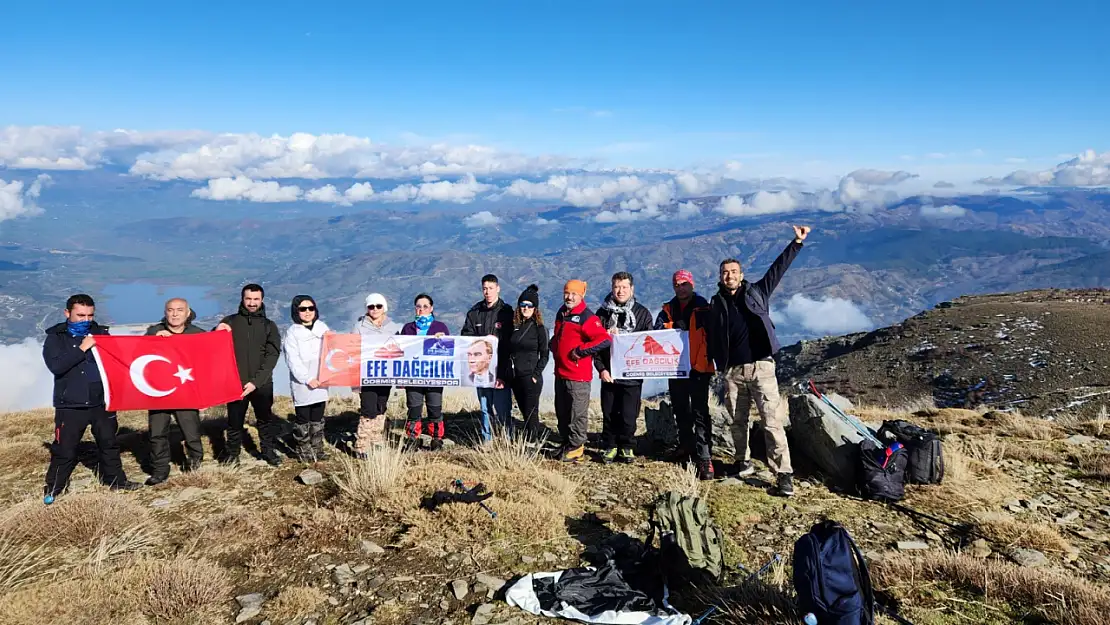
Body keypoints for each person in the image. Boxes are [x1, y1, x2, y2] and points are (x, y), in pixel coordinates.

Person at [709, 225, 811, 498]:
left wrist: (796, 243)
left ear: (741, 275)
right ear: (721, 276)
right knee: (736, 420)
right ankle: (742, 462)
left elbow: (779, 269)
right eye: (725, 272)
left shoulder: (757, 292)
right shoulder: (716, 303)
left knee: (771, 421)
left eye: (733, 272)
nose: (729, 276)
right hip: (732, 371)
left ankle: (783, 473)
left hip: (762, 367)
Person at [42, 294, 140, 504]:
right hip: (70, 405)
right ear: (67, 313)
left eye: (90, 315)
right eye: (80, 315)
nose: (86, 320)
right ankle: (55, 488)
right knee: (64, 450)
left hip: (101, 402)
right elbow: (56, 366)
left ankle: (116, 481)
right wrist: (83, 347)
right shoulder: (55, 338)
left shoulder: (101, 333)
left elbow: (119, 357)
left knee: (109, 444)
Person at [655, 270, 716, 480]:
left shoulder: (704, 307)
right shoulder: (668, 308)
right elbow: (658, 330)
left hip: (699, 367)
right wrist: (673, 326)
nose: (680, 288)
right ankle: (686, 446)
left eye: (684, 284)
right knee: (680, 409)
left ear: (692, 284)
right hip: (676, 368)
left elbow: (713, 333)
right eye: (676, 284)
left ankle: (704, 456)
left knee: (700, 412)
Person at [215, 283, 282, 467]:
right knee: (234, 422)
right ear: (242, 299)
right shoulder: (229, 322)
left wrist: (256, 382)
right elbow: (211, 345)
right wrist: (216, 330)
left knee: (265, 420)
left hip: (262, 384)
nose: (252, 303)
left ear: (261, 300)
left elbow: (272, 355)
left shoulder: (270, 326)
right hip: (235, 382)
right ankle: (232, 454)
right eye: (248, 299)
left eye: (256, 299)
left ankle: (268, 451)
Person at [143, 298, 207, 486]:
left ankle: (195, 464)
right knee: (157, 432)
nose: (175, 314)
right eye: (170, 310)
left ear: (188, 313)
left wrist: (223, 330)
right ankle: (160, 470)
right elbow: (137, 353)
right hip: (159, 392)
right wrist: (153, 340)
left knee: (191, 430)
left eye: (180, 310)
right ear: (165, 312)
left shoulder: (198, 334)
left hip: (186, 391)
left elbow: (214, 351)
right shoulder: (154, 332)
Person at [594, 272, 653, 464]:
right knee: (609, 412)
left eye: (624, 287)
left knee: (629, 414)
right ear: (612, 288)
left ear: (632, 289)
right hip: (609, 372)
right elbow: (594, 345)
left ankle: (627, 446)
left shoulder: (642, 313)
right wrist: (601, 369)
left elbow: (649, 342)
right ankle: (610, 445)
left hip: (632, 373)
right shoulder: (602, 314)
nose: (620, 291)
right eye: (616, 287)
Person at [550, 279, 611, 463]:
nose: (569, 297)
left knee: (577, 412)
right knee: (562, 411)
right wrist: (553, 345)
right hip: (560, 371)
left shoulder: (587, 317)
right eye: (567, 293)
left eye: (573, 294)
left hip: (578, 375)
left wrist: (580, 351)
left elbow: (604, 340)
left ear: (581, 295)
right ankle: (566, 442)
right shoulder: (562, 312)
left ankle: (577, 446)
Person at [460, 274, 514, 441]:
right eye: (485, 288)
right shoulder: (474, 313)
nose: (487, 292)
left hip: (501, 369)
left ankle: (507, 440)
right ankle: (487, 440)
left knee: (503, 407)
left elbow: (512, 340)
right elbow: (466, 335)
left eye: (491, 288)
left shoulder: (507, 312)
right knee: (485, 407)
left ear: (498, 288)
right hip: (482, 370)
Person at [283, 295, 332, 463]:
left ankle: (318, 449)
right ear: (296, 311)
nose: (307, 312)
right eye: (303, 309)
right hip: (303, 383)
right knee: (303, 418)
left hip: (322, 379)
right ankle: (304, 450)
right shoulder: (292, 332)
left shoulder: (322, 328)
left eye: (310, 308)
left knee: (318, 417)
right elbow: (292, 359)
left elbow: (332, 351)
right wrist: (307, 378)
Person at [353, 293, 402, 457]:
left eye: (378, 306)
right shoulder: (359, 327)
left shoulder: (393, 327)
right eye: (371, 306)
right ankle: (361, 445)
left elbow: (402, 348)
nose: (374, 309)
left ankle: (376, 440)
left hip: (385, 375)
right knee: (368, 409)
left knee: (381, 407)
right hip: (366, 375)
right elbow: (351, 350)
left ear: (384, 308)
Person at [399, 293, 450, 449]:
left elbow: (449, 351)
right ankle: (413, 438)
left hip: (434, 375)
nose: (422, 309)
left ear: (431, 308)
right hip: (413, 375)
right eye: (418, 306)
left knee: (434, 407)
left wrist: (442, 340)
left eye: (425, 306)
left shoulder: (440, 327)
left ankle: (436, 438)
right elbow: (402, 351)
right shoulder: (408, 328)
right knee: (414, 408)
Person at [508, 284, 548, 435]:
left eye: (529, 305)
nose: (525, 308)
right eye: (522, 305)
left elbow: (544, 354)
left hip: (531, 376)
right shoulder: (515, 326)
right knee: (525, 411)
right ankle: (529, 438)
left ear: (535, 308)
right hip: (516, 376)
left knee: (532, 412)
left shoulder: (540, 329)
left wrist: (536, 375)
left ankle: (533, 441)